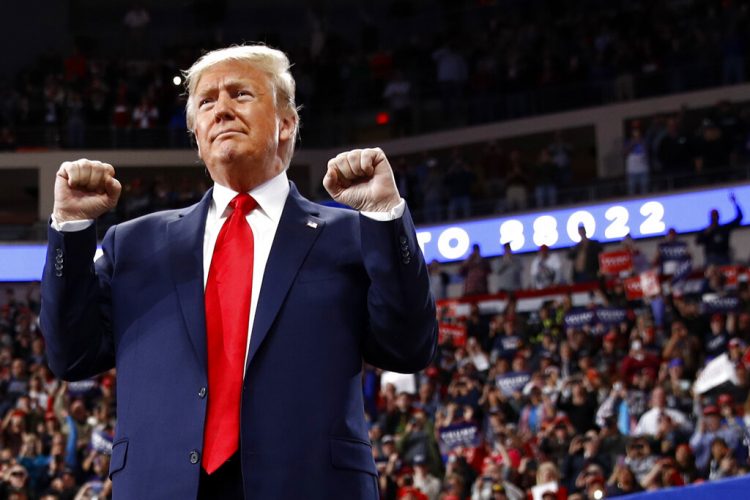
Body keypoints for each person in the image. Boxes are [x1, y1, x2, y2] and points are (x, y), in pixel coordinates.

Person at [39, 44, 437, 500]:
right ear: (196, 134)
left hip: (310, 486)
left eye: (241, 94)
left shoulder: (350, 235)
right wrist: (71, 227)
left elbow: (408, 347)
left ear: (287, 123)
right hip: (162, 486)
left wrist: (385, 215)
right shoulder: (133, 244)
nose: (221, 109)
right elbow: (70, 355)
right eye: (206, 102)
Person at [695, 192, 743, 266]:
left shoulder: (724, 228)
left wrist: (735, 203)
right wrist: (707, 233)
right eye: (713, 215)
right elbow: (698, 241)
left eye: (716, 215)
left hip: (724, 257)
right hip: (711, 257)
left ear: (718, 216)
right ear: (710, 217)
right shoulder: (706, 230)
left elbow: (739, 217)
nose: (714, 217)